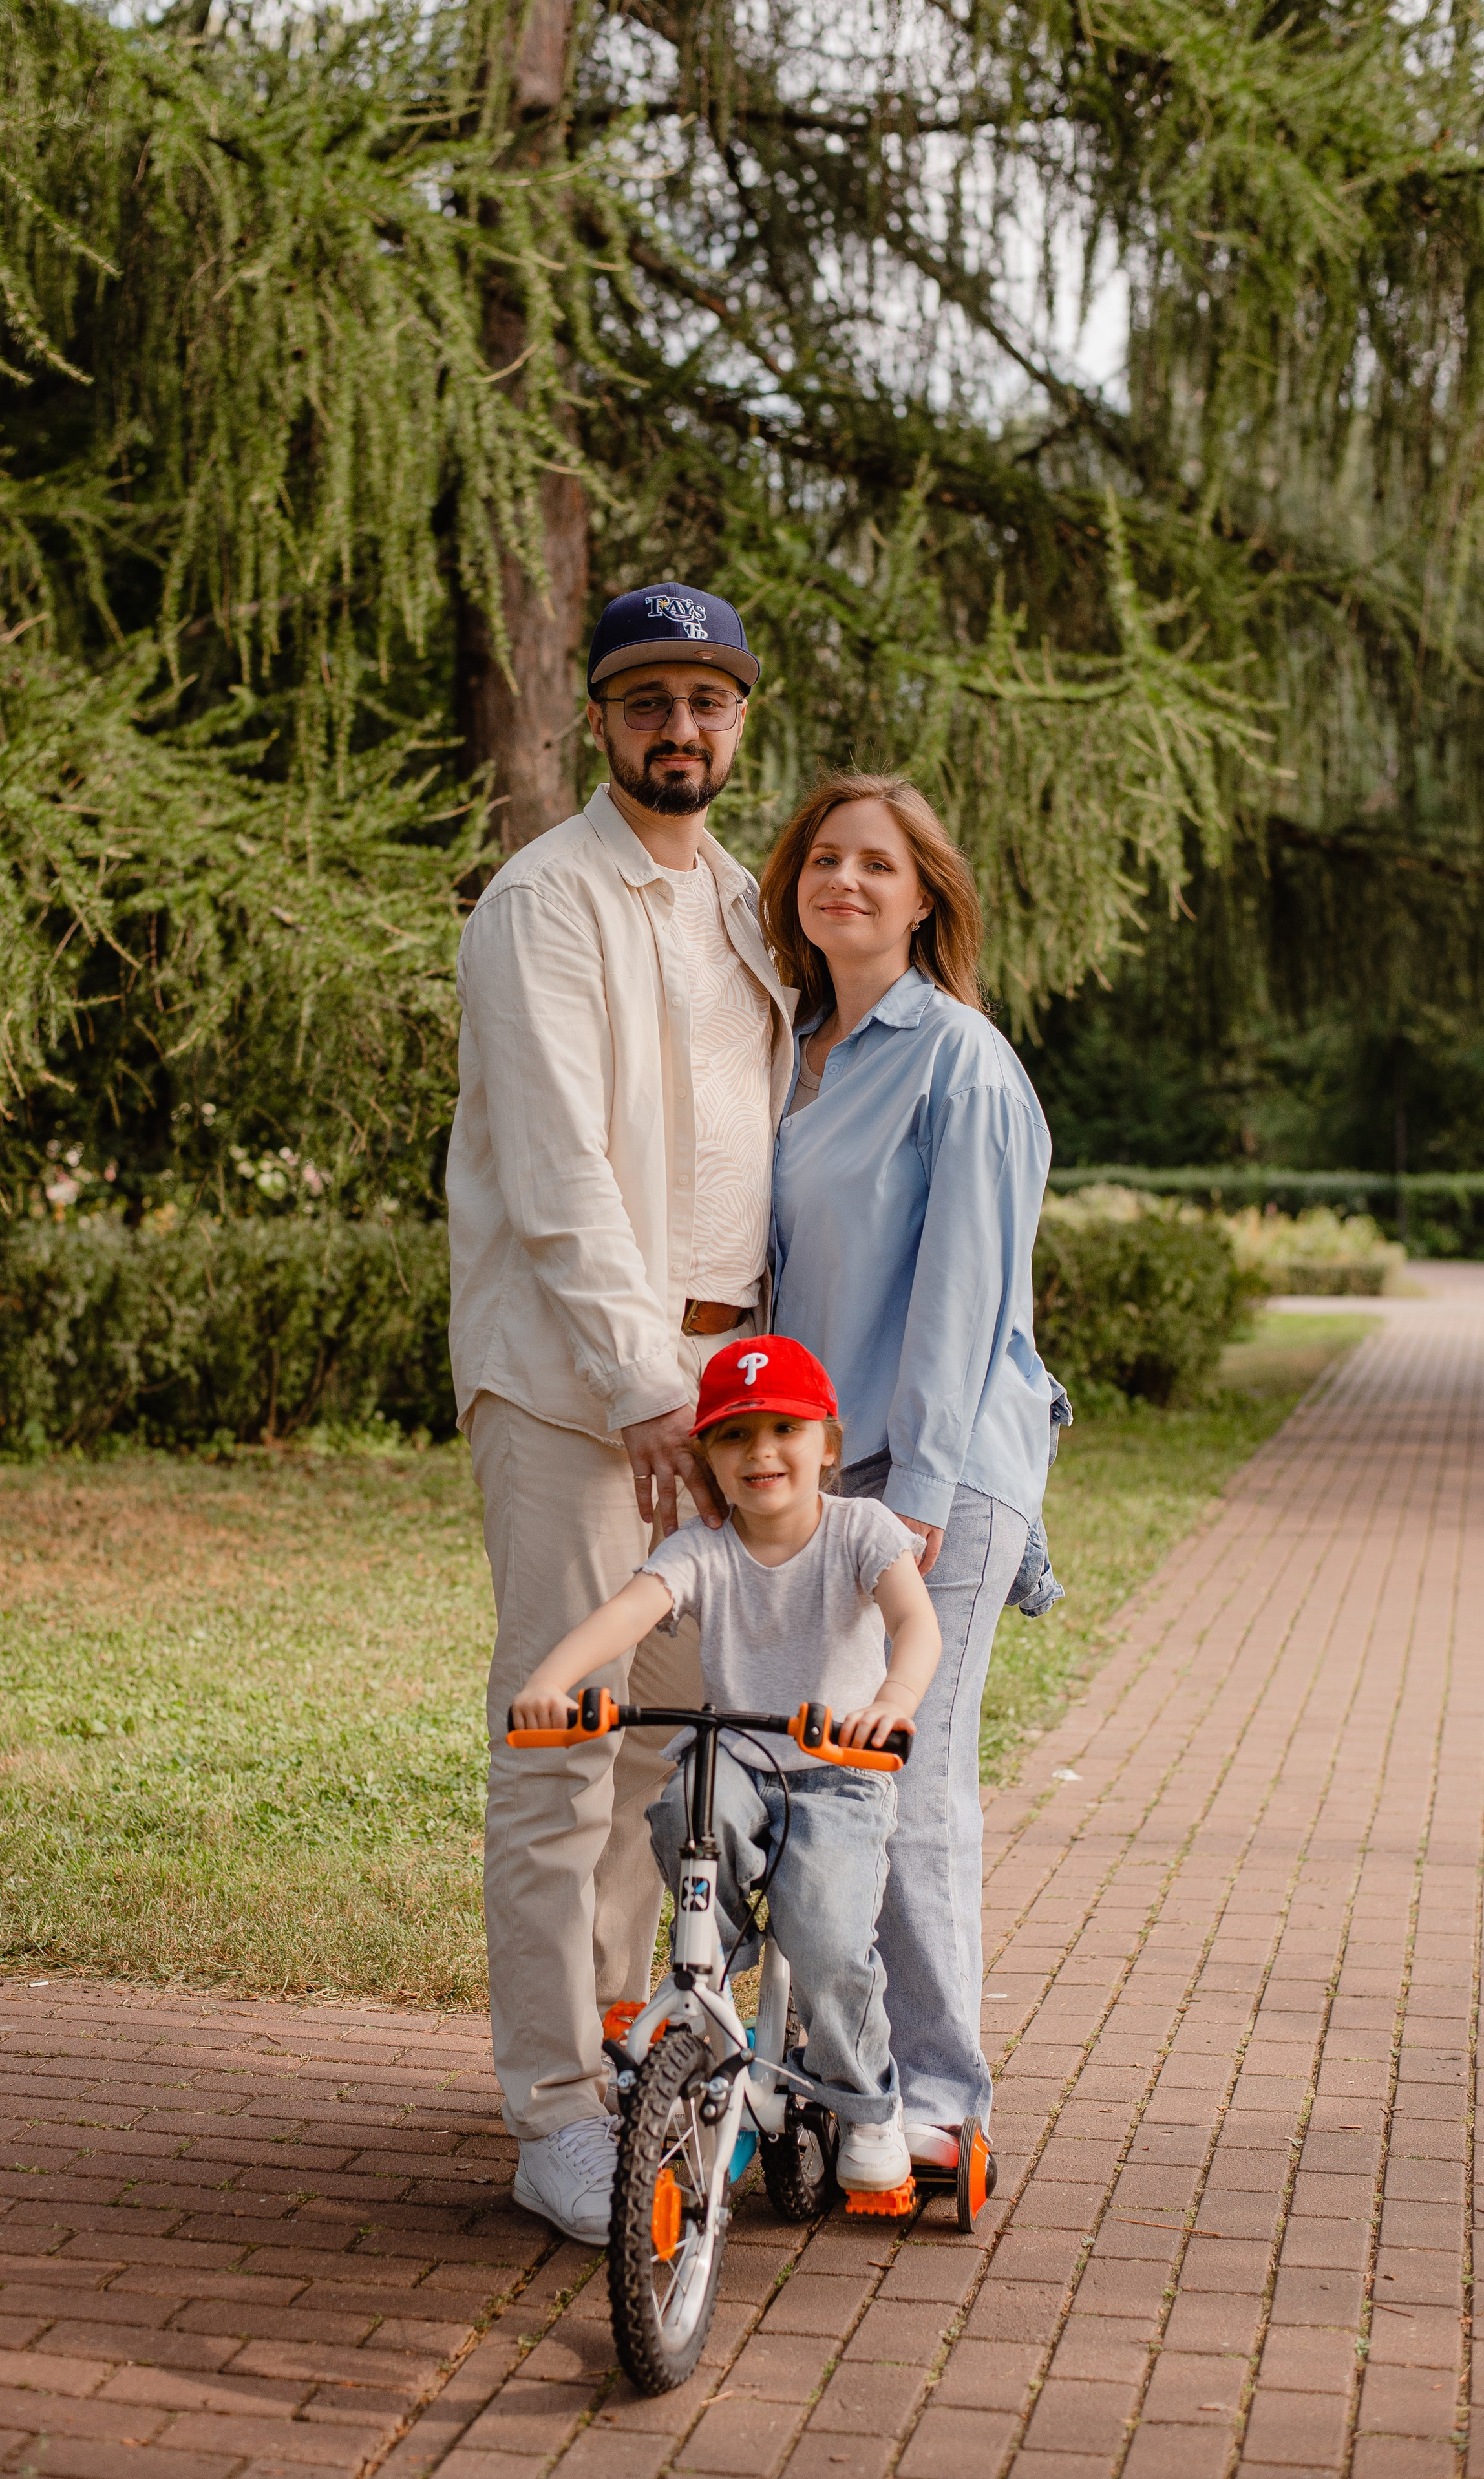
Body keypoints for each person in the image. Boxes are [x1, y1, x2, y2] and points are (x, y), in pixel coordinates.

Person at [446, 584, 795, 2246]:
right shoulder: (544, 901)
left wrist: (732, 1403)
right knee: (560, 1742)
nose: (681, 729)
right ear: (598, 717)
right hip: (586, 1395)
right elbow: (562, 1171)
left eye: (707, 702)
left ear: (739, 719)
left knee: (670, 1752)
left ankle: (618, 2052)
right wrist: (650, 1383)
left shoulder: (741, 902)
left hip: (719, 1408)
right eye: (648, 699)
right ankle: (548, 2122)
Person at [760, 771, 1055, 2176]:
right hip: (823, 1474)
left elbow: (960, 1297)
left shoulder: (958, 1060)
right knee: (815, 1780)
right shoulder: (797, 1047)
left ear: (925, 893)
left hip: (936, 1478)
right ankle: (831, 2071)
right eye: (824, 859)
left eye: (878, 864)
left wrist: (917, 1498)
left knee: (910, 1778)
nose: (847, 883)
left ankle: (941, 2095)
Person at [509, 1334, 940, 2189]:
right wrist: (551, 1681)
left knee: (826, 1937)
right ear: (706, 1454)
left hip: (837, 1774)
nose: (763, 1453)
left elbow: (917, 1625)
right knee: (677, 1810)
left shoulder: (860, 1529)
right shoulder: (702, 1546)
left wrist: (892, 1701)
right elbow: (628, 1613)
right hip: (737, 1759)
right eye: (736, 1436)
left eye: (785, 1429)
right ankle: (716, 1971)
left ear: (828, 1444)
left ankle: (866, 2103)